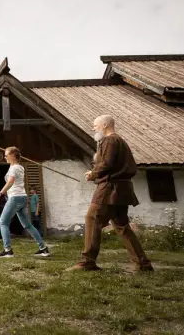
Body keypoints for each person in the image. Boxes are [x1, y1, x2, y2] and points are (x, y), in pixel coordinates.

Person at [68, 115, 153, 272]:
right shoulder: (118, 141)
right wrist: (95, 171)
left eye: (95, 125)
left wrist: (92, 174)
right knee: (122, 226)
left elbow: (106, 164)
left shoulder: (110, 140)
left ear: (105, 125)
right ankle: (143, 264)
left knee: (92, 218)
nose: (93, 128)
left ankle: (88, 262)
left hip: (109, 188)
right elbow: (110, 164)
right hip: (121, 189)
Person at [0, 147, 50, 258]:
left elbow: (10, 182)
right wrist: (15, 153)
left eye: (6, 155)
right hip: (22, 197)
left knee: (3, 222)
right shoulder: (19, 167)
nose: (4, 157)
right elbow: (12, 174)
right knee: (27, 225)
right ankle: (43, 248)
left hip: (15, 198)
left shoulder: (14, 168)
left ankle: (8, 250)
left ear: (13, 156)